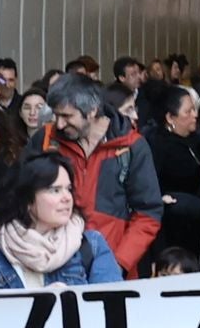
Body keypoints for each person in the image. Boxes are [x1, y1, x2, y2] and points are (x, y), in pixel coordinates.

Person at [0, 153, 123, 289]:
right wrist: (39, 305)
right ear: (27, 200)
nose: (67, 198)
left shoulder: (92, 246)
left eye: (68, 189)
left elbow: (110, 311)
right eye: (55, 190)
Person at [53, 80, 163, 275]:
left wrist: (118, 263)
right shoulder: (47, 142)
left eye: (67, 116)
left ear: (93, 111)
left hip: (113, 265)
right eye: (56, 115)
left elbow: (147, 214)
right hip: (55, 264)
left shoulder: (132, 146)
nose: (59, 124)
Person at [143, 80, 200, 274]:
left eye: (195, 109)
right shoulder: (158, 146)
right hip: (174, 232)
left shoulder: (198, 140)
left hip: (198, 230)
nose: (195, 115)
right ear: (170, 118)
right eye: (188, 111)